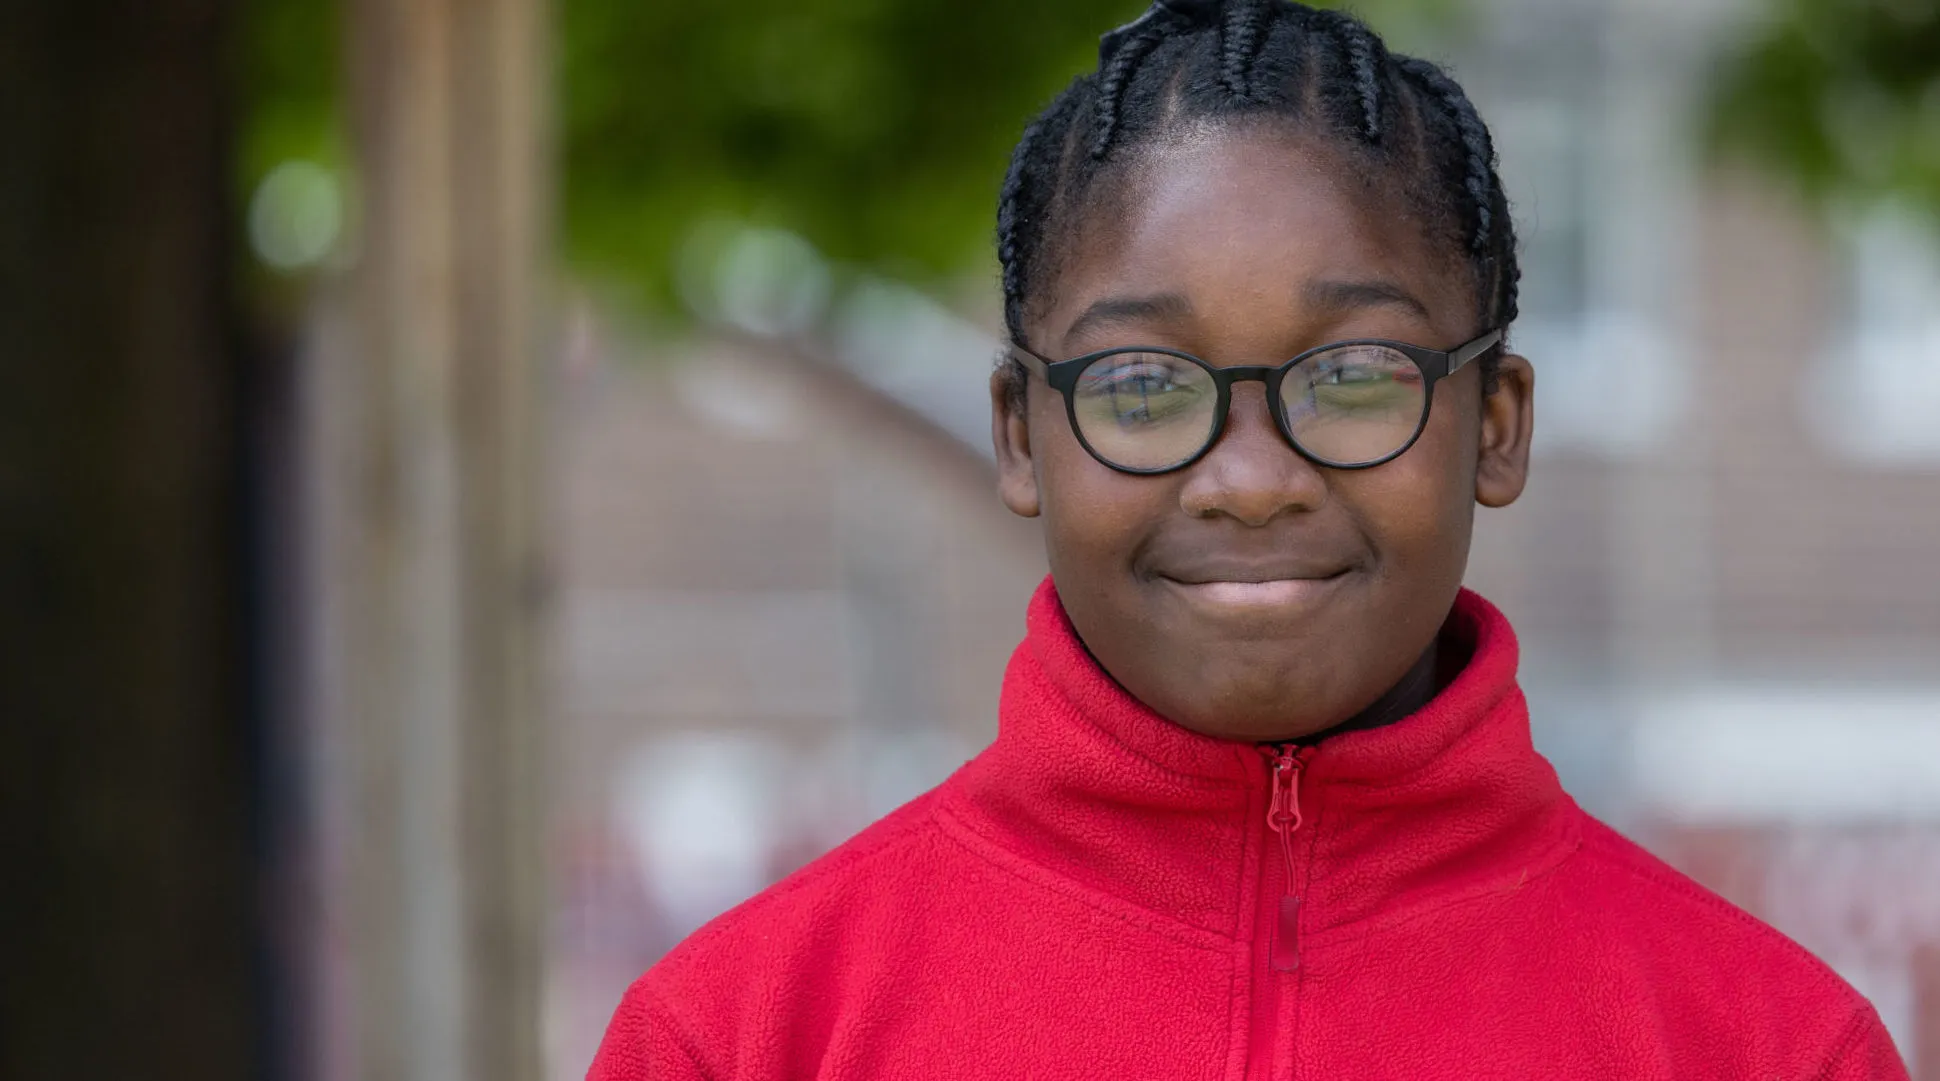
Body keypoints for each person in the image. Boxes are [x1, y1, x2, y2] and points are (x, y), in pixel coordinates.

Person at [590, 2, 1910, 1076]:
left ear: (1496, 424)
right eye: (1144, 387)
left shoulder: (1759, 1042)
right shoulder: (753, 1032)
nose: (1251, 479)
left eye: (1352, 377)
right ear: (1018, 436)